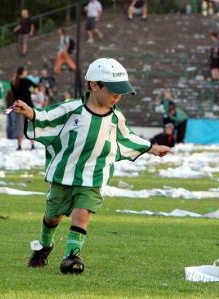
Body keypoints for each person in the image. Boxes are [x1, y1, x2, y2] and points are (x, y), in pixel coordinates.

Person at [12, 58, 171, 274]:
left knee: (82, 213)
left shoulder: (116, 118)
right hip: (63, 175)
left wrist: (152, 148)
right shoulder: (73, 108)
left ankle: (72, 256)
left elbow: (128, 138)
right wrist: (29, 112)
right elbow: (47, 116)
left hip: (93, 176)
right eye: (113, 91)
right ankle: (44, 245)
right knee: (53, 216)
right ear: (94, 86)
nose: (118, 96)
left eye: (121, 92)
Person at [10, 66, 36, 150]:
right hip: (28, 106)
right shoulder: (27, 81)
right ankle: (32, 145)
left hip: (18, 106)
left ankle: (19, 145)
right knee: (30, 126)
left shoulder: (13, 82)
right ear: (24, 72)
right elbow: (35, 91)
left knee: (20, 127)